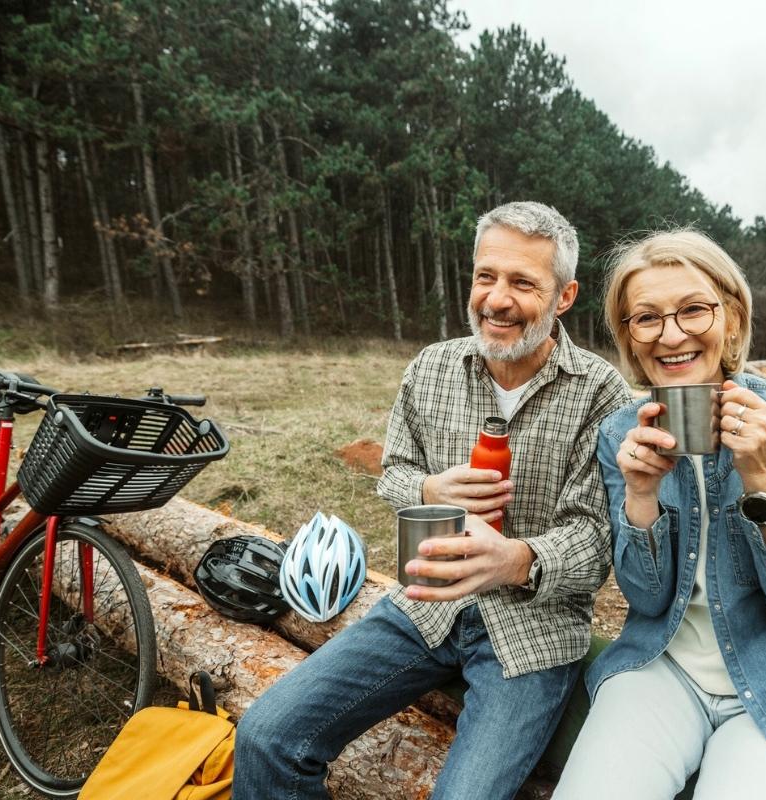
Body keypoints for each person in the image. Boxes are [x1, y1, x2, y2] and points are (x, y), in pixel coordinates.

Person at [233, 201, 632, 800]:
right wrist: (423, 489)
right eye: (486, 276)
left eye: (523, 282)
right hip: (424, 605)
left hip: (533, 631)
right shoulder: (431, 368)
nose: (496, 299)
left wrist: (518, 559)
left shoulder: (602, 393)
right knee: (267, 735)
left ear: (565, 296)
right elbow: (393, 472)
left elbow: (598, 537)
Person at [553, 229, 766, 800]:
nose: (670, 335)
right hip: (663, 669)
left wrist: (765, 480)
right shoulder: (620, 434)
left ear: (730, 316)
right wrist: (641, 498)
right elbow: (649, 601)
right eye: (645, 318)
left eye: (693, 310)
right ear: (629, 335)